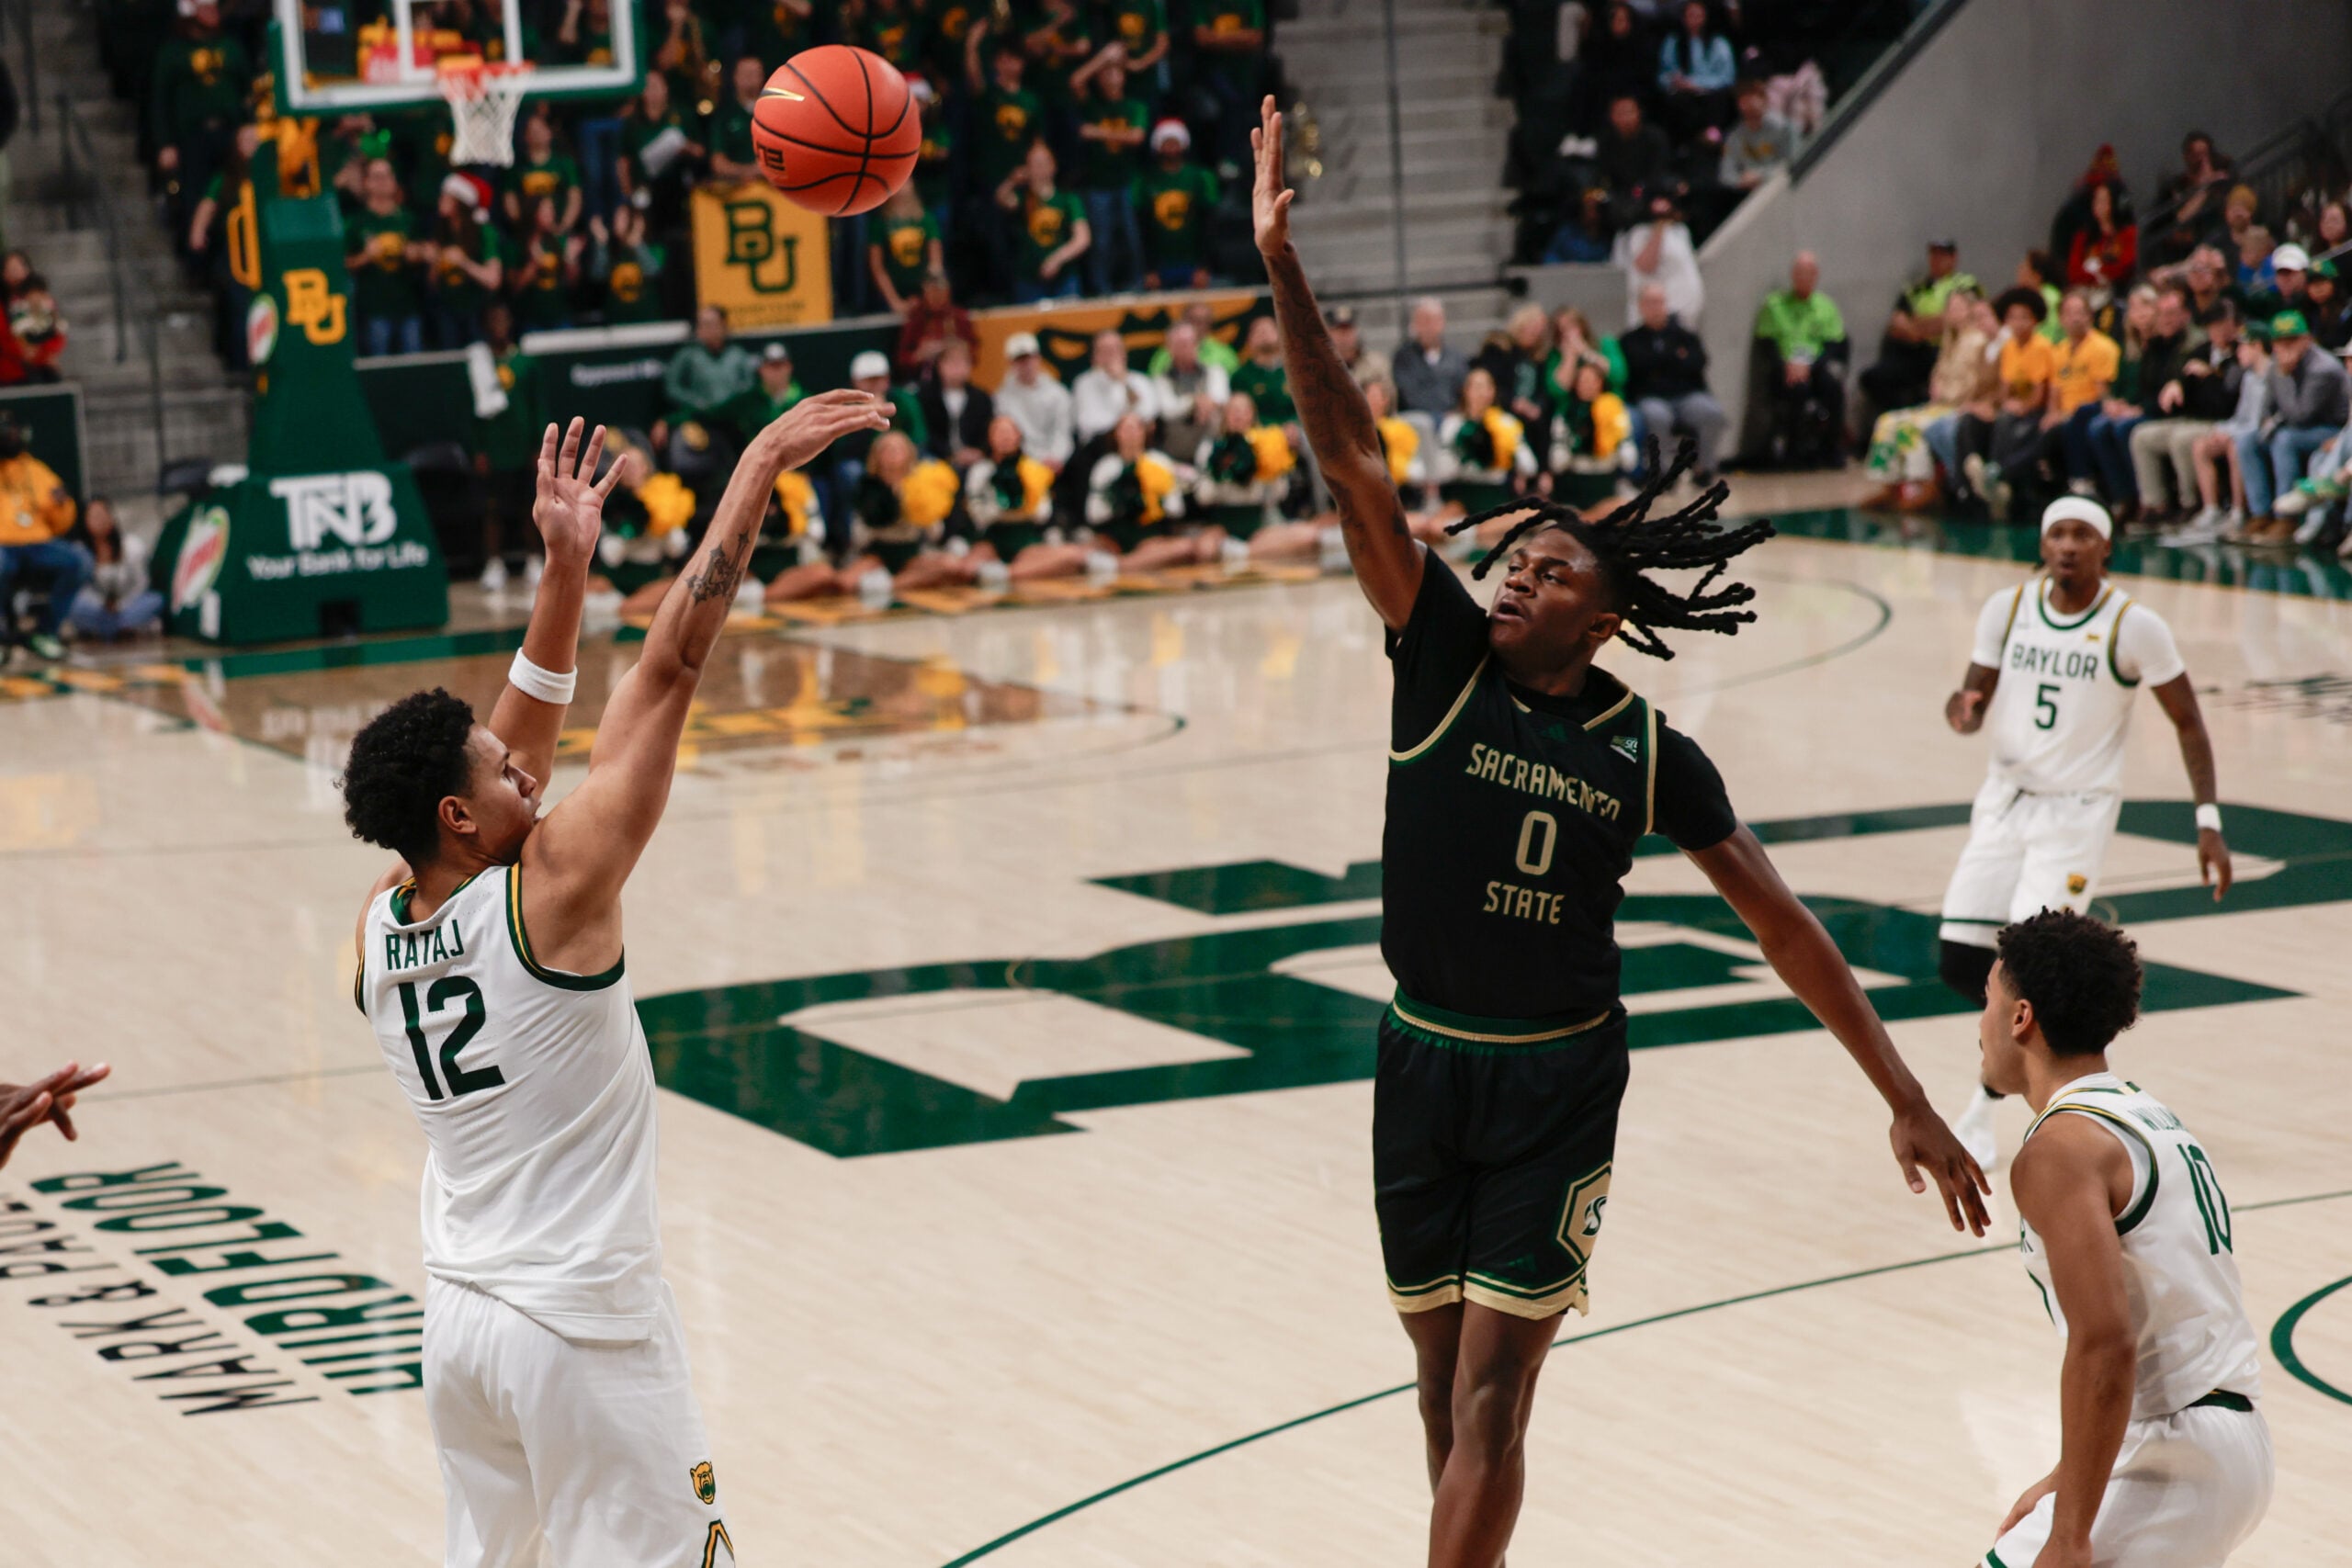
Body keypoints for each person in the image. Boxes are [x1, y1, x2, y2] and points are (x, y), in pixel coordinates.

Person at [1247, 96, 1986, 1568]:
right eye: (1514, 557)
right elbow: (1355, 465)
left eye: (1551, 567)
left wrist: (1903, 1094)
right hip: (1421, 1055)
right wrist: (1281, 263)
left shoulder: (1650, 751)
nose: (1517, 574)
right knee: (1437, 1385)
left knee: (1496, 1396)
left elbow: (1786, 928)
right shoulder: (1440, 657)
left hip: (1559, 1078)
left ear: (1604, 619)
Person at [338, 394, 886, 1567]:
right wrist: (758, 464)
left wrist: (566, 571)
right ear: (459, 816)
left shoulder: (380, 925)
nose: (527, 774)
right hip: (579, 1332)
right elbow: (672, 665)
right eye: (503, 774)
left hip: (460, 1329)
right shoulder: (556, 891)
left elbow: (510, 756)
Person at [1938, 496, 2231, 1171]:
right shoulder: (2007, 609)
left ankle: (1989, 1109)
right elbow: (1969, 701)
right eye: (2058, 534)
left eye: (2082, 534)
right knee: (1959, 961)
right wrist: (1962, 711)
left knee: (2028, 973)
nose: (2068, 545)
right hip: (2005, 801)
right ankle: (2074, 1029)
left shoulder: (2134, 626)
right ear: (2043, 545)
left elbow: (2189, 720)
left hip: (2075, 814)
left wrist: (2208, 819)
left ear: (2106, 547)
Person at [1973, 909, 2271, 1568]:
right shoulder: (2144, 1113)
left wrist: (2069, 1534)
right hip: (2222, 1435)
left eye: (1987, 1000)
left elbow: (2105, 1342)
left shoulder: (2059, 1150)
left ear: (2021, 1017)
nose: (1980, 1022)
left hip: (2176, 1447)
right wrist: (2070, 1475)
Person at [1863, 286, 1991, 511]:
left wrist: (1951, 395)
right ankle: (1889, 485)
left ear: (1970, 310)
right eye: (1950, 308)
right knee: (1887, 421)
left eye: (1959, 307)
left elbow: (1976, 383)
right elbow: (1938, 374)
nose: (1954, 313)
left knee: (1910, 429)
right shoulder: (1949, 341)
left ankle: (1924, 485)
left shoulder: (1977, 342)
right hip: (1939, 404)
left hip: (1958, 406)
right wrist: (1936, 385)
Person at [2232, 310, 2348, 542]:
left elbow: (2301, 414)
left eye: (2292, 340)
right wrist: (2270, 423)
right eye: (2280, 341)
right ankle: (2260, 513)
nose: (2285, 347)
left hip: (2332, 431)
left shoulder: (2323, 368)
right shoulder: (2276, 364)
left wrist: (2285, 375)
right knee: (2247, 440)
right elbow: (2266, 410)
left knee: (2284, 440)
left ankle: (2286, 518)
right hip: (2296, 428)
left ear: (2306, 339)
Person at [2131, 298, 2241, 524]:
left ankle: (2191, 503)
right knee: (2142, 436)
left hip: (2223, 420)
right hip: (2191, 417)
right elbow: (2183, 377)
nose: (2218, 330)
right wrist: (2176, 384)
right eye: (2213, 325)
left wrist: (2210, 376)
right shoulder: (2202, 351)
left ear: (2235, 325)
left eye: (2222, 324)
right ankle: (2155, 504)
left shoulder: (2239, 355)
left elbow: (2229, 400)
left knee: (2182, 439)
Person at [2160, 326, 2268, 547]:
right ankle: (2211, 509)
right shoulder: (2249, 377)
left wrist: (2230, 434)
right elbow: (2240, 416)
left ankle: (2238, 511)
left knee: (2236, 445)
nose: (2238, 353)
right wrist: (2221, 430)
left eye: (2242, 347)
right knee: (2202, 445)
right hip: (2241, 429)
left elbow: (2259, 421)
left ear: (2257, 346)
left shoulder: (2271, 375)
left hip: (2262, 433)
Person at [1619, 281, 1727, 482]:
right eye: (1650, 303)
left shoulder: (1685, 335)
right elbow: (1638, 367)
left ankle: (1705, 468)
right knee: (1658, 416)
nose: (1655, 308)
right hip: (1650, 397)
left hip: (1686, 396)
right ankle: (1664, 472)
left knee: (1712, 413)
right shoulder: (1630, 339)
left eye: (1659, 302)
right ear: (1640, 306)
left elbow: (1699, 362)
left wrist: (1660, 363)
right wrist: (1674, 358)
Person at [0, 413, 85, 661]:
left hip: (38, 543)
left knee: (78, 562)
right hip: (2, 545)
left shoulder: (37, 471)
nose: (9, 437)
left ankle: (45, 631)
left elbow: (63, 522)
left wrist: (60, 506)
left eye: (12, 432)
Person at [1751, 250, 1848, 468]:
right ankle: (1793, 451)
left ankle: (1832, 449)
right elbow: (1767, 344)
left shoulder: (1826, 305)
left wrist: (1810, 367)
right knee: (1797, 389)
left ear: (1816, 275)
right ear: (1793, 275)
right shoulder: (1775, 304)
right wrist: (1786, 365)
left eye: (1809, 273)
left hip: (1815, 367)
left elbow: (1834, 345)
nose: (1804, 277)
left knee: (1833, 387)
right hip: (1784, 369)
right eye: (1800, 272)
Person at [963, 414, 1086, 583]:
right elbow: (976, 514)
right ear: (989, 438)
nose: (1005, 437)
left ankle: (1010, 574)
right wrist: (1001, 508)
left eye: (1009, 432)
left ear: (1018, 436)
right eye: (999, 432)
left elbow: (1042, 513)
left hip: (1025, 536)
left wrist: (1019, 507)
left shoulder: (1032, 468)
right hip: (992, 535)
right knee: (967, 569)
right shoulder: (981, 471)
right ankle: (1007, 572)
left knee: (1073, 556)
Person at [1860, 240, 1976, 418]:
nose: (1936, 259)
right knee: (1873, 377)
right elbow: (1897, 323)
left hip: (1945, 350)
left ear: (1954, 258)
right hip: (1914, 349)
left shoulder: (1965, 284)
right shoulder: (1916, 286)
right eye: (1933, 254)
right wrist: (1926, 327)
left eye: (1942, 255)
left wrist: (1917, 324)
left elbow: (1952, 321)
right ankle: (1902, 417)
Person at [1069, 51, 1149, 295]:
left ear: (1124, 76)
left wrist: (1096, 132)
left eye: (1115, 71)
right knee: (1101, 242)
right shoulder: (1093, 105)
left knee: (1132, 238)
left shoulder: (1134, 106)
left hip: (1127, 182)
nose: (1111, 77)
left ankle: (1137, 287)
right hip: (1098, 184)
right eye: (1105, 72)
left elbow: (1137, 137)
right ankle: (1101, 291)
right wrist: (1104, 57)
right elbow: (1075, 81)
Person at [346, 157, 427, 357]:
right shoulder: (357, 223)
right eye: (377, 176)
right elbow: (344, 263)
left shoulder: (408, 219)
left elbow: (426, 251)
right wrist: (366, 256)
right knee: (378, 363)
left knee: (415, 365)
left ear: (394, 182)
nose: (383, 181)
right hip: (374, 309)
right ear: (366, 182)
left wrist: (416, 254)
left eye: (387, 176)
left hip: (408, 306)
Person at [996, 141, 1090, 304]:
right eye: (1035, 164)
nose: (1040, 168)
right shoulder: (1023, 199)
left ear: (1053, 166)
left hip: (1064, 280)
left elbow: (1082, 239)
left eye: (1044, 162)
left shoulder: (1067, 199)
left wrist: (1057, 259)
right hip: (1029, 279)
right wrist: (1013, 180)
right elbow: (1001, 198)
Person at [1136, 119, 1221, 291]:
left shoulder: (1200, 177)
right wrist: (1149, 269)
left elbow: (1209, 224)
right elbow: (1142, 229)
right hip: (1160, 265)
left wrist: (1204, 266)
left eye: (1175, 143)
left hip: (1193, 263)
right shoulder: (1145, 181)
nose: (1171, 149)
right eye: (1166, 143)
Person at [64, 496, 162, 640]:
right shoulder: (79, 552)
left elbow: (141, 583)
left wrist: (121, 605)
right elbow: (81, 589)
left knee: (155, 600)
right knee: (73, 604)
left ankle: (111, 628)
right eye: (94, 517)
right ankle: (119, 628)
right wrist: (102, 604)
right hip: (97, 608)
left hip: (126, 605)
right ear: (85, 521)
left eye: (102, 515)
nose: (99, 520)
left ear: (111, 517)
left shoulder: (131, 546)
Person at [427, 174, 504, 351]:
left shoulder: (484, 232)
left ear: (459, 201)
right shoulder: (441, 231)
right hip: (447, 312)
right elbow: (432, 283)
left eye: (446, 196)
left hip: (476, 313)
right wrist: (435, 262)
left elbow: (493, 280)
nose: (440, 200)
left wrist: (463, 262)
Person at [1151, 319, 1232, 466]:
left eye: (1192, 342)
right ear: (1170, 348)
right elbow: (1169, 410)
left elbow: (1222, 399)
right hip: (1174, 457)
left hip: (1215, 450)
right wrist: (1194, 402)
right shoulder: (1161, 380)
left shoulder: (1215, 372)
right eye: (1182, 344)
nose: (1188, 348)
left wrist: (1204, 404)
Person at [1653, 0, 1733, 142]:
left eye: (1699, 16)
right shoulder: (1673, 41)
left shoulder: (1718, 43)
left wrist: (1697, 84)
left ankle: (1712, 137)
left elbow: (1727, 76)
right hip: (1682, 93)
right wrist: (1674, 81)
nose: (1695, 20)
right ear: (1683, 18)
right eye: (1691, 15)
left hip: (1711, 93)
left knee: (1718, 99)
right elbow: (1663, 73)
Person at [995, 331, 1076, 468]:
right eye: (1020, 360)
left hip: (1060, 463)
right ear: (1010, 363)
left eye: (1030, 358)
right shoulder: (1002, 399)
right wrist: (1038, 461)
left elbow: (1063, 432)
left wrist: (1056, 457)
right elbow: (1010, 439)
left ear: (1038, 358)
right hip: (1021, 464)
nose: (1026, 364)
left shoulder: (1058, 393)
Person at [867, 183, 944, 318]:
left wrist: (928, 298)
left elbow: (935, 264)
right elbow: (877, 267)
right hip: (891, 295)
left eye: (907, 181)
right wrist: (895, 302)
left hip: (923, 293)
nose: (902, 186)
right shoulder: (879, 223)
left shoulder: (926, 219)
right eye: (899, 183)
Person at [1070, 328, 1159, 446]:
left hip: (1137, 443)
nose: (1111, 355)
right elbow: (1087, 423)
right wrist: (1123, 426)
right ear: (1094, 357)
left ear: (1124, 354)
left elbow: (1148, 415)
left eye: (1116, 349)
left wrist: (1123, 382)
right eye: (1105, 351)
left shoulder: (1141, 381)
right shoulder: (1083, 383)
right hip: (1099, 445)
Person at [918, 339, 994, 468]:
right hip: (936, 459)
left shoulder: (981, 398)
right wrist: (950, 454)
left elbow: (988, 432)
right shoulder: (925, 396)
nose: (957, 367)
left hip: (975, 460)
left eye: (962, 362)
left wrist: (979, 451)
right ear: (939, 365)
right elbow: (925, 434)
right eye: (952, 362)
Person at [1394, 297, 1470, 420]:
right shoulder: (1403, 358)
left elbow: (1462, 390)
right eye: (1425, 320)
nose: (1430, 326)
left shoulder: (1456, 358)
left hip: (1451, 418)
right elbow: (1407, 395)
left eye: (1435, 320)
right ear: (1415, 324)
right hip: (1416, 418)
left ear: (1443, 322)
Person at [1717, 78, 1794, 193]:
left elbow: (1792, 160)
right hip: (1753, 192)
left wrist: (1761, 175)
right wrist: (1740, 180)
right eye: (1743, 100)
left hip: (1785, 185)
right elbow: (1725, 174)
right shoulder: (1735, 137)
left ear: (1763, 99)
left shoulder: (1783, 126)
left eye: (1751, 97)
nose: (1747, 104)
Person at [1329, 304, 1392, 391]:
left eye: (1348, 330)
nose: (1344, 336)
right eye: (1339, 330)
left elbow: (1389, 394)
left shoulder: (1376, 364)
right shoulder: (1323, 367)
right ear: (1330, 333)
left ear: (1356, 331)